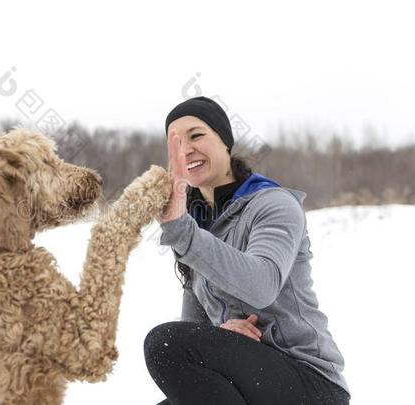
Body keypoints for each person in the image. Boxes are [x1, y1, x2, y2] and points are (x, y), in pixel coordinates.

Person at [144, 96, 351, 405]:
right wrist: (221, 332)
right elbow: (193, 331)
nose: (186, 149)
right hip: (248, 380)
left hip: (310, 383)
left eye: (196, 135)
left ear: (225, 141)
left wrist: (181, 232)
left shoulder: (273, 204)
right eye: (174, 143)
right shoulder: (197, 229)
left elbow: (261, 286)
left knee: (163, 344)